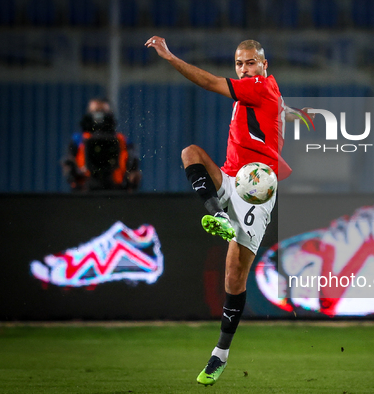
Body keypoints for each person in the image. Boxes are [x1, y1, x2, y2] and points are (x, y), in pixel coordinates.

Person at [146, 36, 310, 386]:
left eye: (250, 62)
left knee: (234, 276)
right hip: (234, 177)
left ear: (264, 65)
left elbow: (206, 82)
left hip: (257, 190)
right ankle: (217, 213)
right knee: (191, 153)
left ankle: (220, 354)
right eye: (239, 63)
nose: (244, 68)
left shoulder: (259, 88)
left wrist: (170, 56)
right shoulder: (263, 89)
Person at [62, 98, 141, 191]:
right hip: (85, 189)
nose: (99, 116)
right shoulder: (78, 140)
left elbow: (133, 169)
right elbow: (69, 165)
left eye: (102, 111)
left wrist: (132, 181)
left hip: (116, 189)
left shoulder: (122, 141)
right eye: (95, 111)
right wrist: (73, 173)